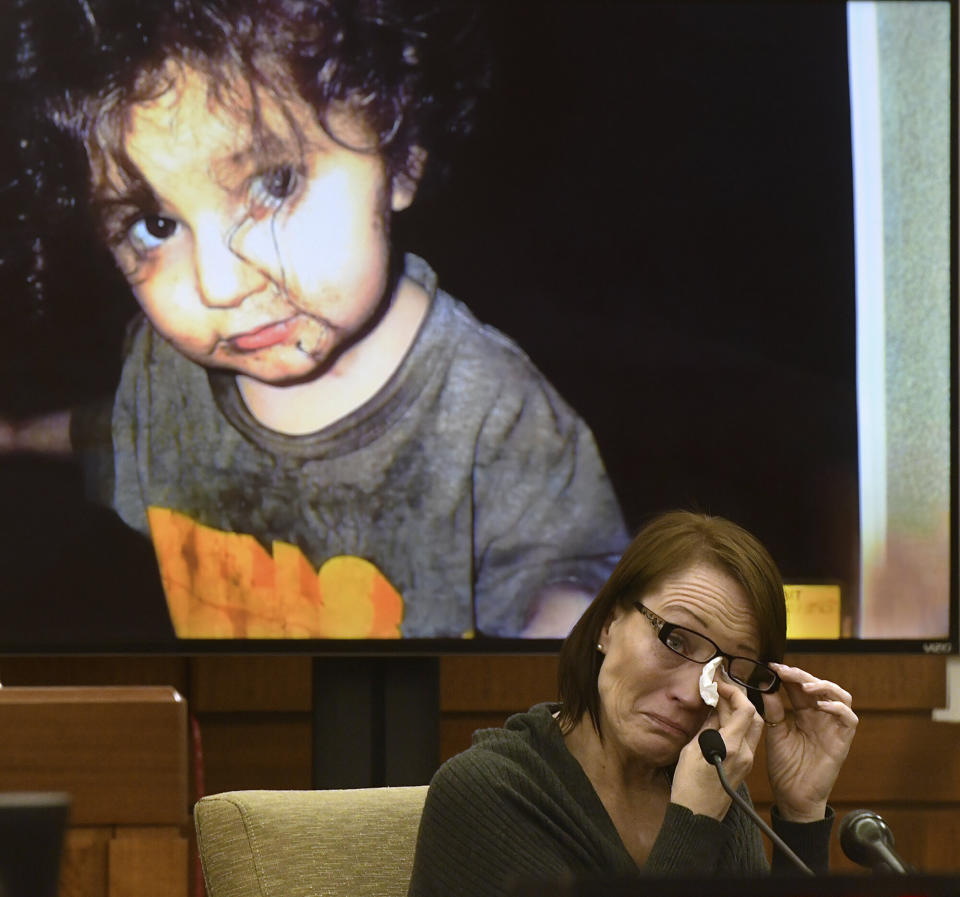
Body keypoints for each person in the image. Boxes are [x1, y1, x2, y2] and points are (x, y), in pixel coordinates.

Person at [1, 0, 628, 640]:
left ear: (402, 154)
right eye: (155, 226)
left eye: (273, 185)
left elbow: (580, 591)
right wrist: (18, 434)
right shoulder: (164, 366)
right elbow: (126, 429)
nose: (219, 285)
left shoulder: (492, 414)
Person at [407, 510, 858, 894]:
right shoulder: (489, 791)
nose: (688, 692)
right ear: (607, 623)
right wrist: (693, 820)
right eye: (675, 638)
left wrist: (801, 815)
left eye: (727, 669)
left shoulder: (711, 783)